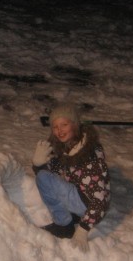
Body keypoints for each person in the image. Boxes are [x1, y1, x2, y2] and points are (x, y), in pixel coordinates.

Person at [32, 105, 110, 252]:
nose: (59, 131)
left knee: (44, 178)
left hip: (91, 206)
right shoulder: (67, 145)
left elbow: (100, 200)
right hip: (80, 195)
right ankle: (71, 217)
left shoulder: (88, 156)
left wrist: (83, 229)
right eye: (55, 127)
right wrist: (38, 164)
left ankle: (64, 226)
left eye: (64, 125)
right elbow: (55, 172)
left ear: (75, 124)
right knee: (45, 177)